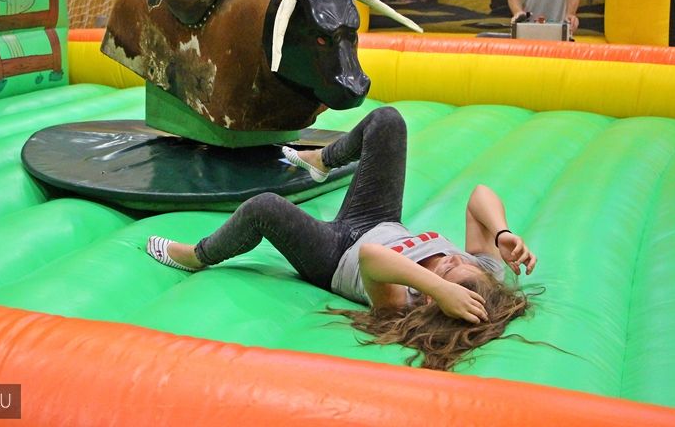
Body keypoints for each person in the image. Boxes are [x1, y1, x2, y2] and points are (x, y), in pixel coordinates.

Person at [145, 107, 538, 371]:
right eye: (462, 263)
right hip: (377, 217)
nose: (453, 260)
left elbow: (371, 257)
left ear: (436, 300)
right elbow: (480, 196)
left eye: (449, 271)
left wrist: (438, 286)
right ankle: (322, 160)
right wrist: (502, 232)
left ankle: (199, 255)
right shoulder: (481, 273)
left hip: (334, 254)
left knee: (264, 207)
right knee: (387, 120)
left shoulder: (406, 301)